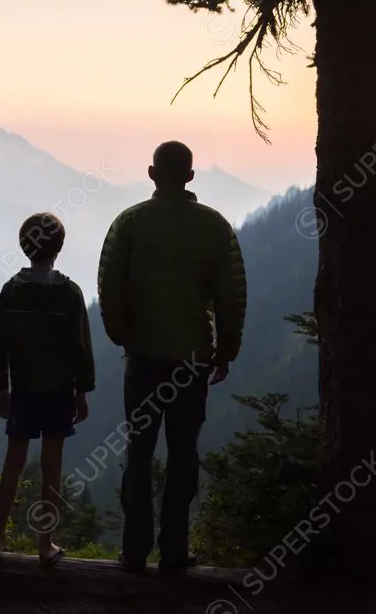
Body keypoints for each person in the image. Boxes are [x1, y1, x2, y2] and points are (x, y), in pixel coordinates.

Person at [97, 140, 247, 575]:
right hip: (192, 360)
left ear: (150, 173)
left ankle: (135, 551)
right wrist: (226, 350)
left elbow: (110, 286)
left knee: (139, 452)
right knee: (184, 453)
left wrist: (122, 335)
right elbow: (229, 293)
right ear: (191, 176)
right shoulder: (213, 227)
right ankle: (175, 553)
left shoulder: (129, 223)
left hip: (142, 357)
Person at [0, 212, 94, 566]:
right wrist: (82, 392)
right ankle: (45, 544)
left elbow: (0, 343)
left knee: (13, 463)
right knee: (52, 467)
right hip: (59, 392)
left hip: (24, 390)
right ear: (60, 248)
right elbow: (81, 347)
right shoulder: (69, 294)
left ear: (24, 246)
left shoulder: (12, 292)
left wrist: (2, 387)